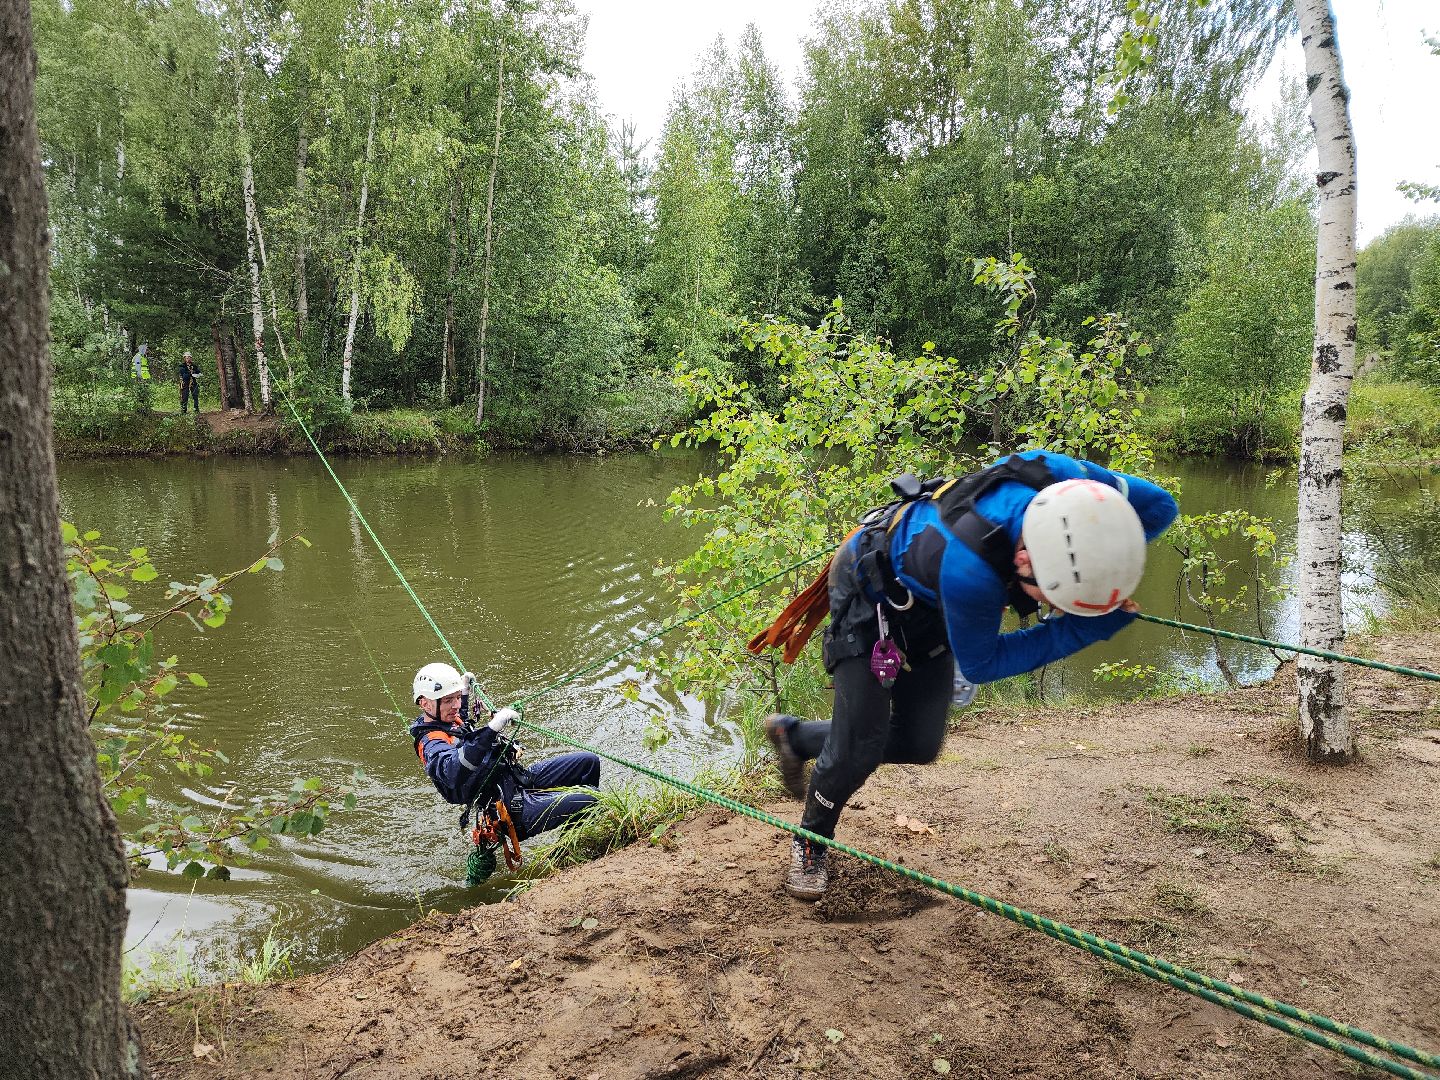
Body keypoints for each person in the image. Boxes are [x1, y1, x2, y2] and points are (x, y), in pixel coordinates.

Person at [755, 450, 1178, 900]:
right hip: (871, 589)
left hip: (931, 596)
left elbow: (1159, 508)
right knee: (859, 744)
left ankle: (794, 736)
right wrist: (1086, 626)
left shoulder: (1072, 485)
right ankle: (811, 840)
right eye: (1053, 598)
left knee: (919, 743)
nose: (1053, 608)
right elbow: (982, 662)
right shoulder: (971, 571)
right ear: (1023, 560)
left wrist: (1104, 569)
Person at [409, 662, 601, 844]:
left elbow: (462, 724)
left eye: (457, 698)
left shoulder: (446, 719)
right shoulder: (431, 743)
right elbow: (451, 770)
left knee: (588, 763)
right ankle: (569, 852)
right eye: (449, 700)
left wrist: (465, 691)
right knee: (592, 798)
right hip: (509, 806)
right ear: (425, 703)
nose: (456, 705)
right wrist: (491, 729)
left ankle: (575, 837)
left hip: (515, 780)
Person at [178, 350, 201, 414]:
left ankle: (196, 409)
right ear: (184, 358)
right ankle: (183, 410)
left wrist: (198, 374)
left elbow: (198, 372)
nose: (188, 359)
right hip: (185, 383)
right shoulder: (182, 366)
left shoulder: (194, 366)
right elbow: (184, 376)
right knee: (184, 396)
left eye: (189, 357)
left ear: (191, 358)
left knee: (195, 395)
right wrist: (191, 374)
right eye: (187, 358)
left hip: (193, 382)